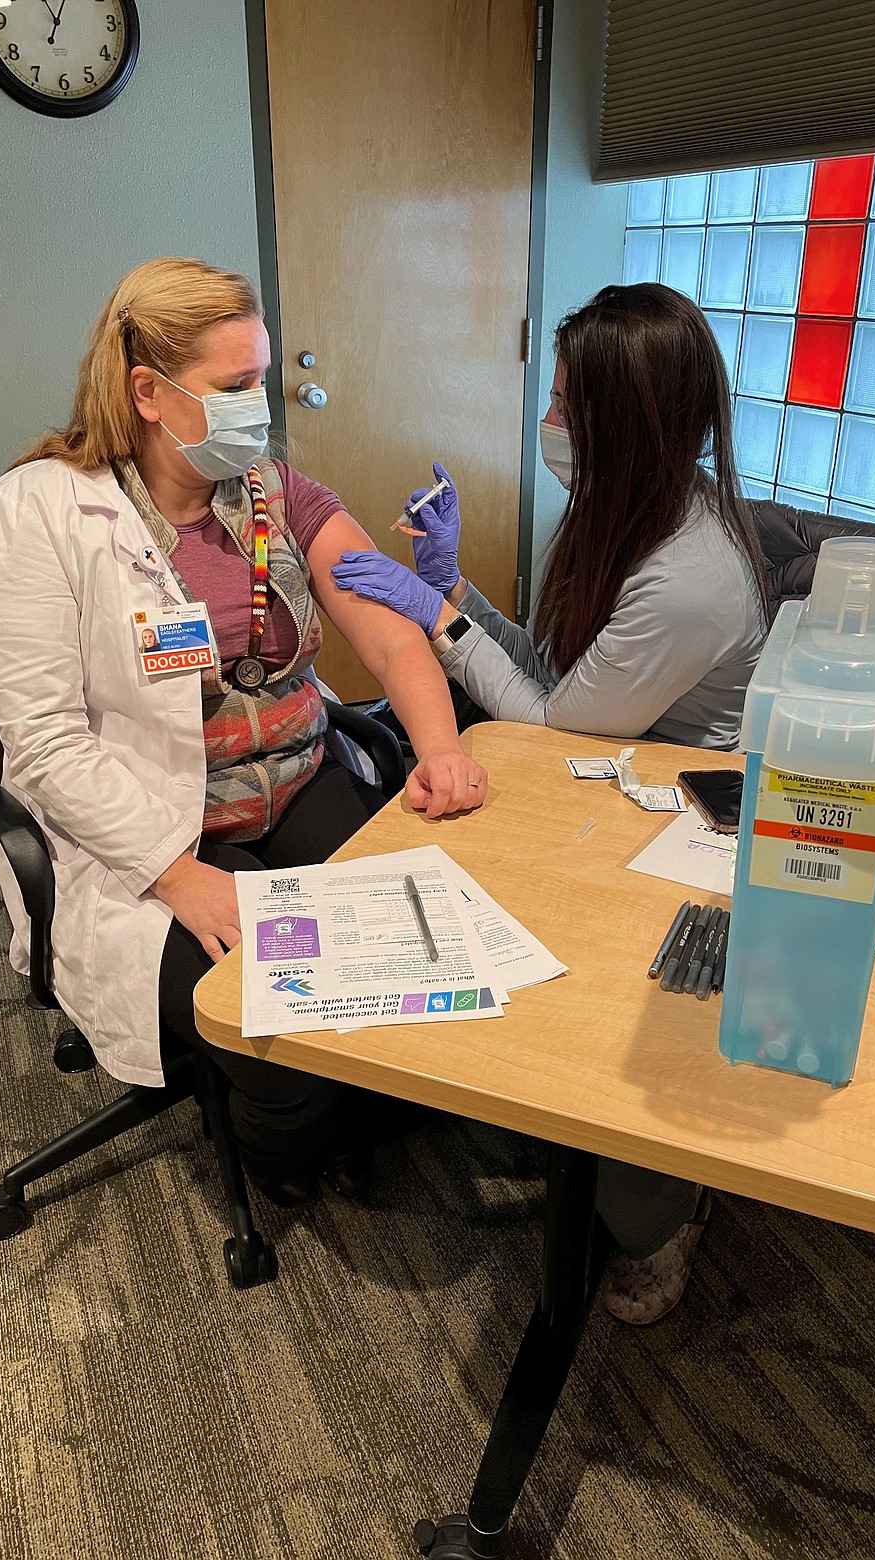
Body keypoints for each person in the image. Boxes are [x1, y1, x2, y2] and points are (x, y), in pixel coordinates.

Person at [0, 257, 487, 1206]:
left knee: (426, 939)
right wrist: (178, 874)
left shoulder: (273, 493)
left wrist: (443, 745)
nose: (259, 411)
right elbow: (41, 743)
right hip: (154, 823)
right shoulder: (33, 515)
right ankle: (285, 1157)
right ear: (150, 393)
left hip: (292, 774)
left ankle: (357, 1102)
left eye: (262, 381)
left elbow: (387, 627)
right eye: (234, 388)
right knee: (279, 1026)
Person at [330, 282, 770, 1321]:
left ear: (629, 422)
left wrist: (437, 615)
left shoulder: (692, 575)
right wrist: (458, 588)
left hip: (667, 818)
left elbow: (550, 721)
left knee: (608, 1034)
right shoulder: (621, 512)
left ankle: (667, 1214)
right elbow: (555, 674)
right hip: (590, 778)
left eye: (570, 404)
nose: (551, 423)